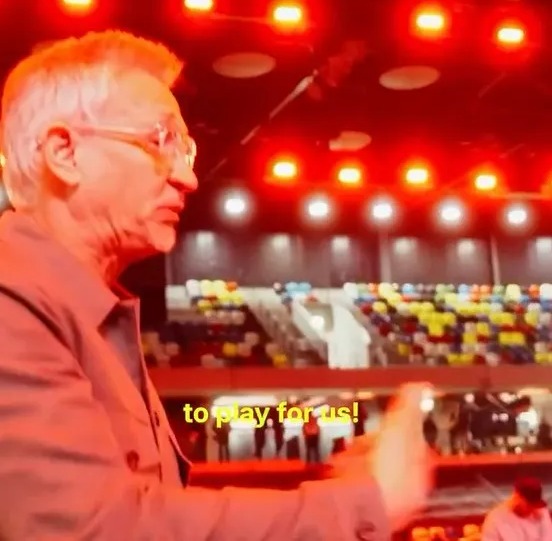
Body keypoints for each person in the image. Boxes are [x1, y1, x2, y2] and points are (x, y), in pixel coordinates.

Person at [0, 30, 433, 540]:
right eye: (159, 142)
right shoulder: (13, 298)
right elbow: (100, 529)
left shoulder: (81, 311)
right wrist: (365, 502)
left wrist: (342, 488)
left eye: (187, 149)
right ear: (64, 152)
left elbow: (149, 508)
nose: (188, 177)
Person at [482, 477, 552, 540]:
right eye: (528, 504)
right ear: (517, 497)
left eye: (534, 505)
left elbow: (548, 537)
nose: (532, 509)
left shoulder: (541, 512)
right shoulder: (495, 518)